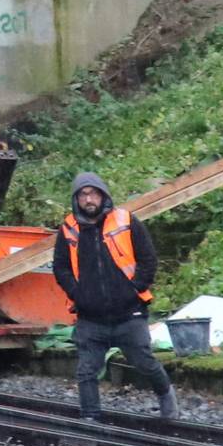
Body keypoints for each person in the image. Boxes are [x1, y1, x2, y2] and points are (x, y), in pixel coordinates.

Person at [53, 171, 178, 422]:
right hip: (91, 316)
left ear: (103, 195)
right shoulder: (68, 229)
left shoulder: (126, 220)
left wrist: (135, 287)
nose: (89, 199)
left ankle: (166, 396)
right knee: (86, 370)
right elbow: (61, 267)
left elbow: (148, 258)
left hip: (128, 312)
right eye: (83, 195)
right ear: (76, 199)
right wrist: (78, 294)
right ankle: (91, 419)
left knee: (144, 362)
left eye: (93, 193)